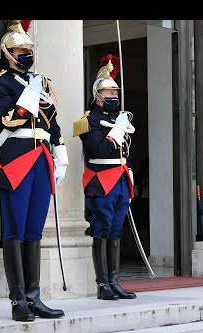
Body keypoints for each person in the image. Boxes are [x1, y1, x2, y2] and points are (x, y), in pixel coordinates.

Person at [0, 20, 67, 321]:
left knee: (34, 230)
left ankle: (34, 297)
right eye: (20, 50)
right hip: (15, 159)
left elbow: (54, 123)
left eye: (28, 49)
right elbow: (8, 119)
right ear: (7, 53)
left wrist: (61, 155)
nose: (25, 54)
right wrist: (30, 96)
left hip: (40, 159)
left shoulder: (41, 81)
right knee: (14, 231)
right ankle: (17, 301)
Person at [73, 54, 137, 300]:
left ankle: (114, 280)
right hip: (100, 180)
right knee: (102, 228)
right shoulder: (88, 121)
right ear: (97, 96)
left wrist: (129, 175)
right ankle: (102, 285)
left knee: (117, 230)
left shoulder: (115, 118)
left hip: (120, 180)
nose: (114, 97)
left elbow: (125, 152)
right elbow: (97, 150)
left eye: (115, 93)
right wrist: (118, 130)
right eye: (109, 94)